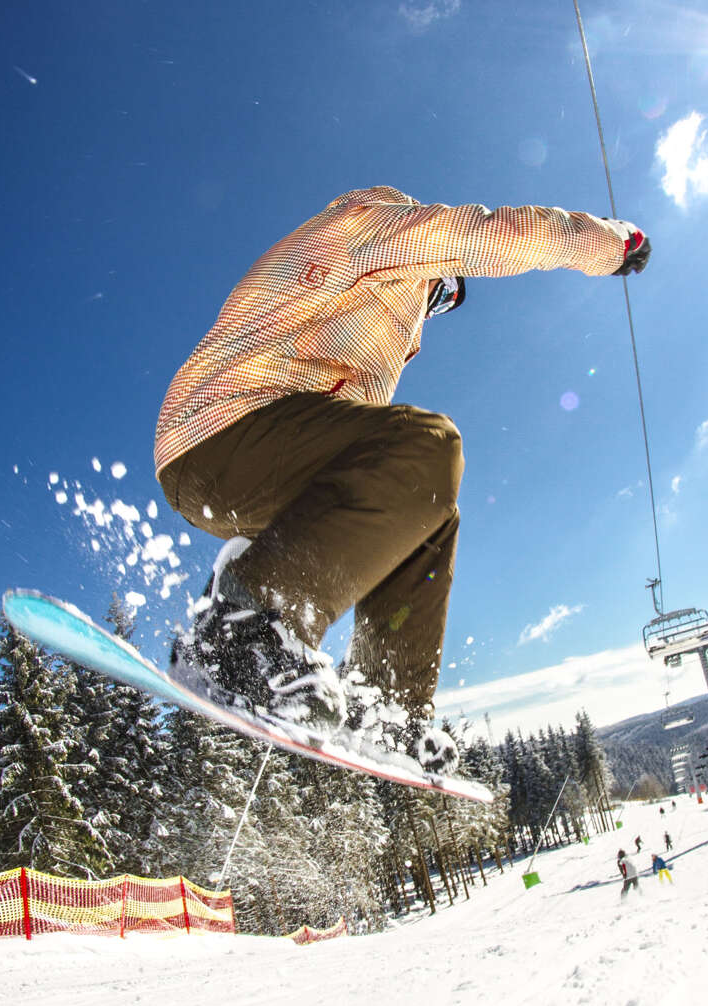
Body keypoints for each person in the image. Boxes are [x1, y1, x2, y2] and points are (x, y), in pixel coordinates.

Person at [156, 187, 650, 768]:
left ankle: (384, 706)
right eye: (439, 292)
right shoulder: (371, 227)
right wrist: (607, 243)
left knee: (431, 511)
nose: (432, 310)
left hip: (261, 460)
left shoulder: (363, 327)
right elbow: (485, 235)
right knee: (429, 445)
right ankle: (242, 627)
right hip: (221, 430)